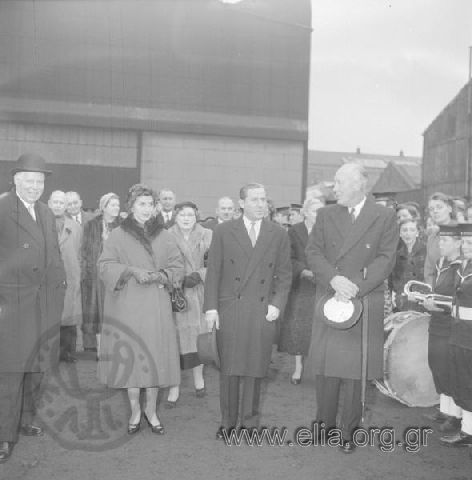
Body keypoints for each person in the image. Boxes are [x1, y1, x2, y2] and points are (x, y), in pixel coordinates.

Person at [305, 163, 398, 454]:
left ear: (361, 184)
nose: (335, 187)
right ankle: (324, 424)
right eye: (335, 181)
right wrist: (334, 279)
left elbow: (386, 258)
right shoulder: (326, 214)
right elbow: (313, 252)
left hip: (362, 298)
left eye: (340, 181)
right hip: (330, 296)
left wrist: (354, 285)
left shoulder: (385, 216)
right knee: (326, 369)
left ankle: (348, 430)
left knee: (354, 372)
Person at [204, 183, 292, 438]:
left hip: (262, 309)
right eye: (254, 200)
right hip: (230, 307)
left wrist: (277, 304)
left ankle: (250, 424)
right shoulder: (223, 231)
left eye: (263, 199)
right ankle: (228, 423)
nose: (260, 204)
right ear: (241, 203)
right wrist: (211, 308)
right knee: (229, 369)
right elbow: (214, 273)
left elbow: (285, 275)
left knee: (255, 368)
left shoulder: (278, 234)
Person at [97, 184, 183, 435]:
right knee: (133, 359)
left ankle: (151, 410)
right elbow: (104, 266)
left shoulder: (165, 236)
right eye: (141, 204)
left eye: (150, 204)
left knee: (155, 358)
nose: (147, 209)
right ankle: (135, 409)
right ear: (131, 206)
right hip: (127, 304)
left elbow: (178, 267)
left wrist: (161, 275)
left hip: (156, 305)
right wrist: (131, 271)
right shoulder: (117, 235)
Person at [0, 153, 66, 464]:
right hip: (13, 306)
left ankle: (26, 420)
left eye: (39, 181)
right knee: (11, 371)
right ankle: (3, 434)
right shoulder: (1, 208)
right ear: (15, 180)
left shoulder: (46, 212)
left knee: (36, 370)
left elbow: (53, 256)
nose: (34, 186)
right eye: (29, 180)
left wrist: (58, 299)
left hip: (45, 306)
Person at [166, 202, 213, 406]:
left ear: (197, 217)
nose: (186, 218)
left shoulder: (207, 234)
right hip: (175, 293)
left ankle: (198, 379)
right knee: (175, 339)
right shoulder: (166, 236)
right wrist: (176, 278)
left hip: (199, 291)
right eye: (182, 215)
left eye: (190, 215)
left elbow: (216, 263)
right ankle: (174, 386)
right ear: (175, 217)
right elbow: (159, 263)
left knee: (198, 338)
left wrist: (200, 274)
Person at [278, 195, 325, 384]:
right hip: (302, 286)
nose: (319, 215)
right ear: (305, 212)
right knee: (299, 327)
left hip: (322, 285)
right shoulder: (294, 232)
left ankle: (319, 367)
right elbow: (288, 258)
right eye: (315, 211)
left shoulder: (327, 232)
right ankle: (298, 368)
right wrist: (303, 271)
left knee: (321, 326)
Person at [422, 225, 462, 434]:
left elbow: (459, 300)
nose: (440, 244)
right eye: (440, 240)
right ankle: (445, 409)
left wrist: (438, 306)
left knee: (449, 369)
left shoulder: (460, 267)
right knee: (437, 365)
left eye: (445, 241)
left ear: (458, 243)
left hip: (449, 324)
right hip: (437, 322)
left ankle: (455, 415)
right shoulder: (442, 263)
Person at [440, 223, 472, 447]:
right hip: (459, 332)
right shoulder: (463, 267)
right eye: (466, 242)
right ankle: (466, 428)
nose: (466, 247)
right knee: (462, 381)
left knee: (469, 383)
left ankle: (469, 432)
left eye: (471, 243)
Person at [81, 193, 121, 353]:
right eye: (113, 205)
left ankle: (114, 348)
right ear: (103, 207)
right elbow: (85, 251)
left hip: (117, 276)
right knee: (97, 312)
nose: (116, 208)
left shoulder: (123, 225)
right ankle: (100, 350)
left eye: (118, 205)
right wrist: (87, 274)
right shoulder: (91, 225)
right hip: (96, 277)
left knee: (116, 313)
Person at [48, 190, 83, 363]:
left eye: (62, 203)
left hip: (70, 276)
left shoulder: (76, 227)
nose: (58, 205)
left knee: (69, 316)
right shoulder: (41, 224)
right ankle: (49, 353)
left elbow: (80, 252)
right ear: (49, 203)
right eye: (55, 202)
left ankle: (68, 353)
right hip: (49, 277)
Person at [389, 218, 426, 312]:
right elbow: (394, 283)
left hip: (423, 302)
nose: (408, 233)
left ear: (417, 233)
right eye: (404, 230)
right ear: (400, 234)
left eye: (412, 230)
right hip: (403, 304)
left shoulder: (426, 251)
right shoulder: (395, 255)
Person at [424, 192, 456, 286]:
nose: (435, 211)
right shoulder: (432, 238)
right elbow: (429, 271)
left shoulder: (463, 233)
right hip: (437, 294)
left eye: (439, 207)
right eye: (431, 209)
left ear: (449, 208)